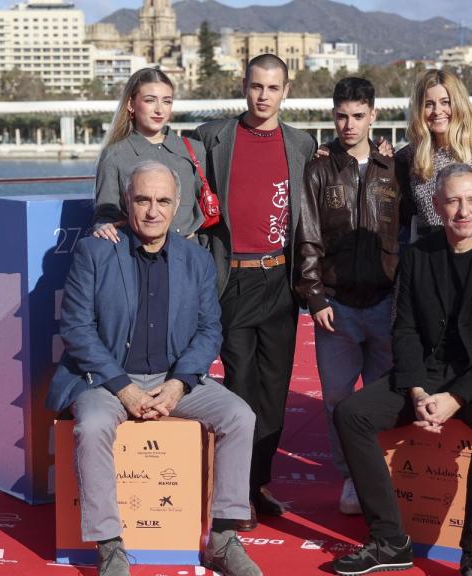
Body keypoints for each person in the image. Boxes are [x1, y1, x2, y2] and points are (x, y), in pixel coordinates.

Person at [47, 161, 262, 576]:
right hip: (106, 379)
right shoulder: (95, 251)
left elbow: (208, 329)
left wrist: (180, 383)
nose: (152, 210)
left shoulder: (195, 260)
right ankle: (109, 544)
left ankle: (222, 537)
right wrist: (122, 387)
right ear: (126, 201)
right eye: (142, 199)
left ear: (177, 204)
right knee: (91, 427)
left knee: (240, 416)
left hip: (172, 378)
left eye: (163, 200)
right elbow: (76, 328)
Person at [331, 164, 472, 576]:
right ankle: (389, 540)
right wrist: (420, 392)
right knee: (350, 414)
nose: (464, 210)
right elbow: (403, 328)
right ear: (438, 205)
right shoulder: (419, 255)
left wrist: (456, 398)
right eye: (454, 201)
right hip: (428, 373)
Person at [193, 54, 318, 531]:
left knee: (273, 388)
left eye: (273, 88)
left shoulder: (302, 143)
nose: (263, 96)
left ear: (286, 91)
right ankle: (235, 492)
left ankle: (258, 483)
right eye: (256, 87)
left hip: (280, 279)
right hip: (231, 279)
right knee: (241, 387)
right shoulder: (213, 138)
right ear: (243, 87)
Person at [294, 77, 402, 516]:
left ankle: (380, 474)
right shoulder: (319, 168)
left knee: (381, 397)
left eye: (358, 116)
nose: (349, 124)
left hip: (384, 304)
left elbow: (407, 233)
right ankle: (351, 477)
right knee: (337, 398)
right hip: (335, 307)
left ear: (373, 115)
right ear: (332, 114)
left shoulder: (394, 167)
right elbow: (308, 237)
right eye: (341, 115)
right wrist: (314, 296)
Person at [92, 68, 208, 241]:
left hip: (190, 256)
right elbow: (106, 215)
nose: (159, 110)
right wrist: (103, 226)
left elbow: (204, 204)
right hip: (138, 257)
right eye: (150, 100)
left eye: (167, 101)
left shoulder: (194, 149)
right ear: (131, 104)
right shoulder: (114, 155)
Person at [395, 69, 472, 237]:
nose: (437, 111)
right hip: (427, 254)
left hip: (471, 254)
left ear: (458, 105)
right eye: (429, 104)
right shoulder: (407, 156)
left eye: (445, 102)